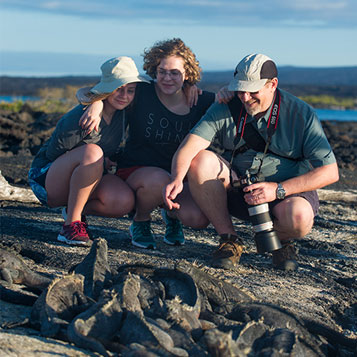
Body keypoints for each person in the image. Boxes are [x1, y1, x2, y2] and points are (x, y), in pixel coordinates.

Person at [163, 53, 339, 271]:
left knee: (299, 217)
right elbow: (189, 147)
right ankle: (229, 240)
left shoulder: (302, 114)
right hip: (238, 188)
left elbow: (330, 172)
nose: (245, 98)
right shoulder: (227, 104)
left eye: (253, 91)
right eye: (240, 89)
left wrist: (278, 189)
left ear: (272, 84)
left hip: (285, 193)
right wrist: (177, 178)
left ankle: (279, 240)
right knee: (199, 167)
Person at [76, 38, 216, 250]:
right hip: (137, 170)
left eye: (175, 73)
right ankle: (140, 220)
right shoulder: (142, 92)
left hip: (179, 177)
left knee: (197, 218)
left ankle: (171, 216)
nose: (167, 78)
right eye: (162, 71)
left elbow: (234, 103)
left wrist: (227, 92)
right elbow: (92, 90)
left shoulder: (201, 101)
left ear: (187, 73)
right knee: (159, 180)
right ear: (154, 70)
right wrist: (96, 104)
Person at [28, 56, 150, 246]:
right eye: (118, 88)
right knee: (92, 153)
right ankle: (71, 226)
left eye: (130, 90)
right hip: (45, 178)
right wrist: (95, 103)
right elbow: (52, 155)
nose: (124, 95)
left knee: (122, 201)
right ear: (107, 88)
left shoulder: (123, 113)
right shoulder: (81, 118)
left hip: (85, 176)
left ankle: (72, 209)